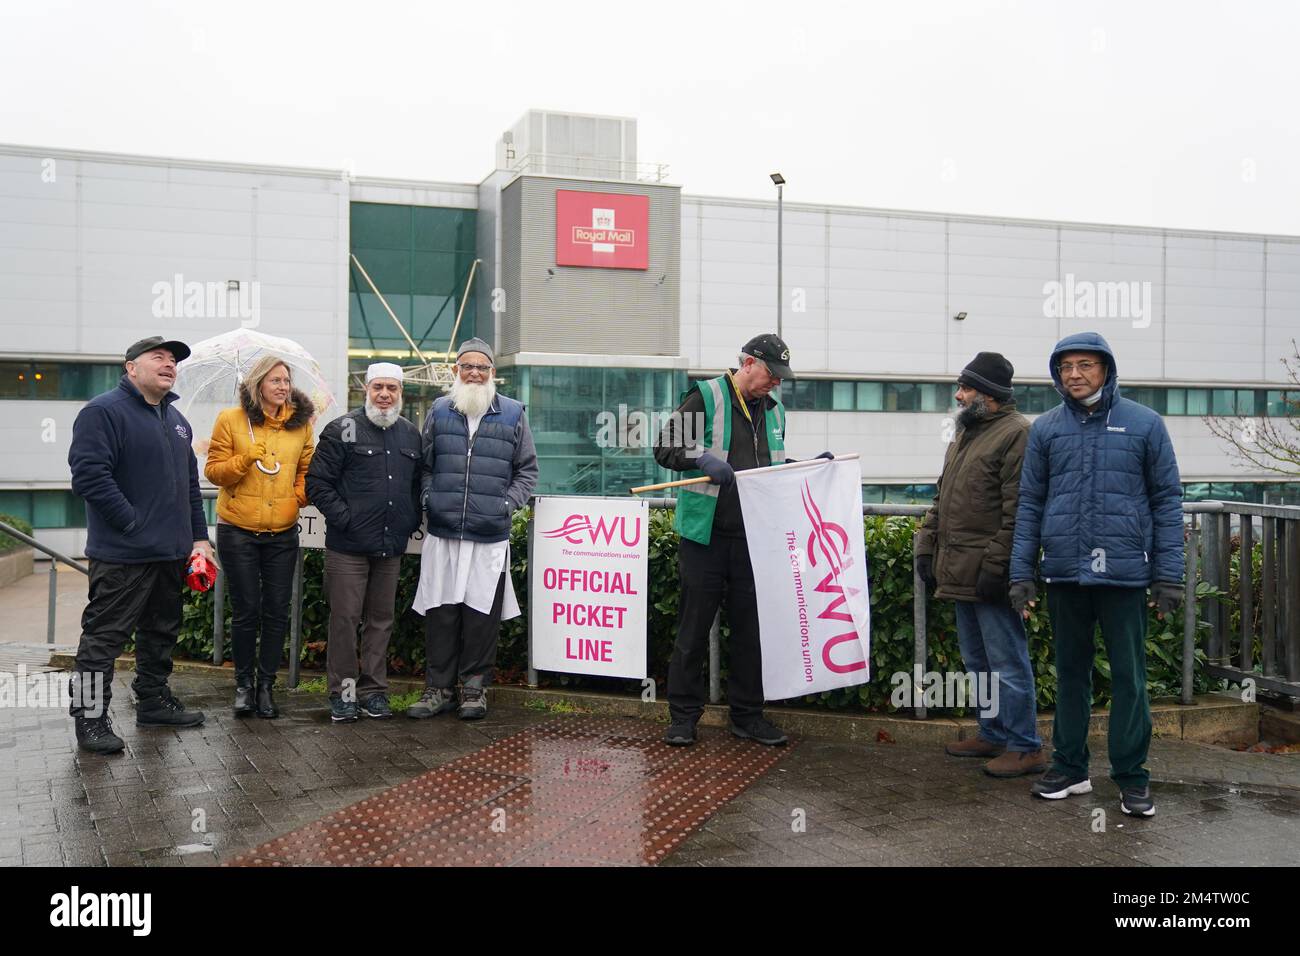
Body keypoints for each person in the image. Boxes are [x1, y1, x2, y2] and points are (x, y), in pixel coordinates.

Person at [1010, 331, 1184, 817]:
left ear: (1106, 368)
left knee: (1130, 679)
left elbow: (1167, 501)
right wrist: (1021, 574)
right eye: (1065, 367)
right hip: (1065, 574)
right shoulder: (1045, 430)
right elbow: (1030, 505)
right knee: (1070, 675)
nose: (1074, 375)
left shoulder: (1145, 424)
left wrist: (1168, 576)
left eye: (1085, 365)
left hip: (1126, 577)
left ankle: (1131, 777)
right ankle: (1070, 768)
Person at [652, 333, 828, 748]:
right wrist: (702, 458)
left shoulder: (775, 409)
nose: (777, 383)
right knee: (693, 630)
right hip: (705, 537)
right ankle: (682, 718)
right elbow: (665, 447)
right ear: (748, 363)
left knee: (751, 631)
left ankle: (748, 716)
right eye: (772, 373)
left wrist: (808, 468)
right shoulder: (707, 395)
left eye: (782, 377)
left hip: (755, 538)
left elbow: (773, 465)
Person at [66, 336, 212, 754]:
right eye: (159, 357)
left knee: (161, 633)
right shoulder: (102, 412)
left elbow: (189, 488)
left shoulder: (177, 420)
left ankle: (153, 701)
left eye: (173, 360)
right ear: (131, 367)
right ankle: (90, 721)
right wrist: (133, 523)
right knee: (103, 640)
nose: (169, 365)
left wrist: (198, 538)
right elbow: (90, 477)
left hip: (171, 553)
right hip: (123, 555)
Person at [916, 352, 1044, 776]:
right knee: (977, 661)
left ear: (988, 394)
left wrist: (998, 566)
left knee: (1007, 660)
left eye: (966, 387)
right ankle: (992, 733)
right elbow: (943, 496)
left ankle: (1025, 746)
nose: (958, 394)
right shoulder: (967, 433)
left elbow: (1020, 510)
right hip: (958, 568)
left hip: (988, 570)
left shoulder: (1016, 435)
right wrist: (925, 544)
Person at [409, 338, 537, 721]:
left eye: (483, 367)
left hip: (488, 536)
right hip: (443, 532)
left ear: (493, 373)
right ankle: (438, 690)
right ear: (456, 372)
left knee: (482, 615)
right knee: (441, 612)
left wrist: (505, 505)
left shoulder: (513, 413)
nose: (476, 373)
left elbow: (527, 470)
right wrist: (430, 498)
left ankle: (474, 691)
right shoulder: (440, 410)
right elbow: (425, 465)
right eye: (468, 367)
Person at [305, 363, 422, 723]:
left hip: (390, 546)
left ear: (401, 393)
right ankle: (344, 694)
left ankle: (374, 693)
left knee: (381, 620)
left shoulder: (410, 434)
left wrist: (410, 520)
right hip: (348, 548)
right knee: (345, 619)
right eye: (378, 387)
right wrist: (346, 519)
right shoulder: (344, 429)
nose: (384, 394)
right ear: (366, 390)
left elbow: (417, 487)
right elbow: (317, 484)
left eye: (392, 388)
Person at [204, 356, 315, 719]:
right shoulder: (230, 421)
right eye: (275, 380)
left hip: (282, 533)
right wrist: (244, 459)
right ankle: (243, 686)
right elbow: (215, 473)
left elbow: (307, 470)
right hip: (237, 531)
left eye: (286, 380)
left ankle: (266, 686)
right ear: (257, 385)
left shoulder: (300, 426)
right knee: (247, 610)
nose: (283, 387)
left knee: (276, 611)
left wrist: (297, 497)